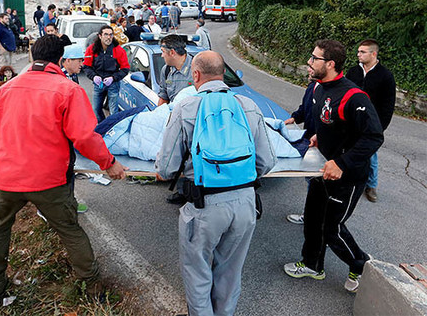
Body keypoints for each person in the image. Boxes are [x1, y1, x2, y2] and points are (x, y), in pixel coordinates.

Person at [0, 34, 127, 313]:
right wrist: (108, 163)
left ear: (33, 57)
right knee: (70, 230)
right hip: (49, 181)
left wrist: (7, 159)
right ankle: (93, 287)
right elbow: (84, 137)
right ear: (60, 60)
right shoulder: (67, 89)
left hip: (5, 179)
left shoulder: (6, 90)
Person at [156, 50, 276, 316]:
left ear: (195, 75)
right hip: (245, 205)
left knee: (197, 272)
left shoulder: (186, 108)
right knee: (230, 271)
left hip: (203, 206)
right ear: (224, 75)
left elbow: (166, 168)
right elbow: (266, 162)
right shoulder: (248, 106)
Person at [284, 39, 383, 294]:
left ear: (329, 64)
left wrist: (342, 162)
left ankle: (361, 265)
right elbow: (327, 123)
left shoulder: (354, 96)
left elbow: (373, 137)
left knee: (332, 229)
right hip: (321, 169)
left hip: (348, 176)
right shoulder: (318, 88)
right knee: (313, 221)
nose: (309, 62)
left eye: (314, 58)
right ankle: (312, 265)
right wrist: (318, 137)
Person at [345, 39, 396, 203]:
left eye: (362, 52)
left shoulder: (386, 76)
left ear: (373, 54)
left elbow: (388, 105)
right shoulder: (353, 72)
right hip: (351, 121)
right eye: (358, 51)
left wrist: (379, 128)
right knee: (347, 150)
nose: (358, 54)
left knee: (370, 155)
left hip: (371, 124)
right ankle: (347, 180)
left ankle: (371, 185)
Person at [284, 77, 318, 224]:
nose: (309, 67)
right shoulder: (312, 86)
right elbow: (305, 109)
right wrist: (295, 118)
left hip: (321, 145)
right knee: (312, 181)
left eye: (314, 61)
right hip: (310, 141)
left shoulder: (331, 91)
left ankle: (312, 217)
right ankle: (312, 215)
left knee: (316, 182)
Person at [83, 25, 130, 122]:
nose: (109, 37)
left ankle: (112, 129)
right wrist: (94, 77)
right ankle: (103, 125)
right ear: (100, 36)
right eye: (106, 34)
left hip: (113, 84)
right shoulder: (92, 49)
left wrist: (113, 78)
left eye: (111, 35)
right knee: (96, 110)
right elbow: (86, 67)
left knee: (113, 112)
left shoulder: (119, 50)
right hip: (98, 84)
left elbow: (125, 68)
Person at [158, 34, 194, 106]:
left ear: (172, 52)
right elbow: (164, 97)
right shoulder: (166, 70)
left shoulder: (197, 68)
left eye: (163, 51)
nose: (162, 55)